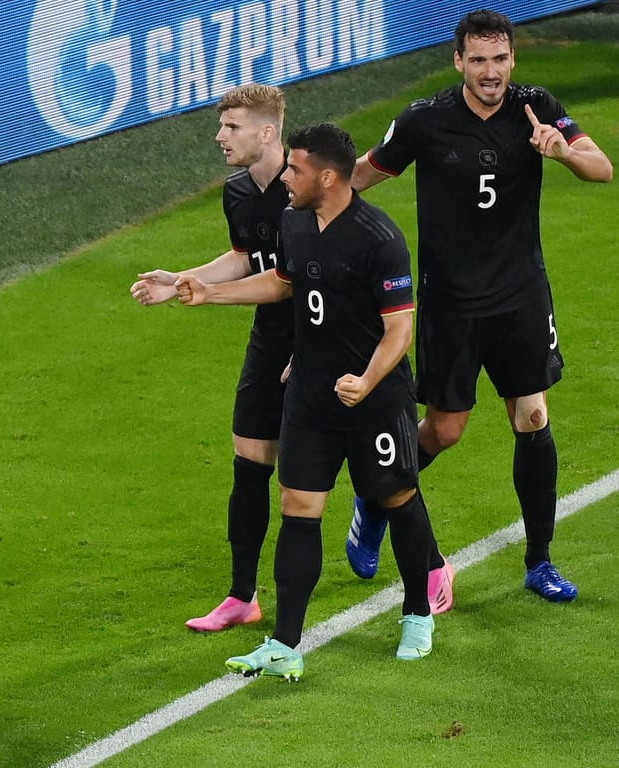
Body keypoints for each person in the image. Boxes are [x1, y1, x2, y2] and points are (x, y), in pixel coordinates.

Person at [343, 9, 612, 602]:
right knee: (446, 429)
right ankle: (375, 496)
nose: (491, 72)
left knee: (533, 416)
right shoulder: (425, 119)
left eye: (501, 59)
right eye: (479, 60)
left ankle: (539, 561)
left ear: (513, 59)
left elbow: (602, 169)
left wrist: (561, 152)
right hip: (452, 302)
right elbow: (362, 175)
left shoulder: (535, 106)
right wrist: (310, 206)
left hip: (521, 294)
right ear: (458, 61)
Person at [176, 123, 437, 679]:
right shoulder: (294, 222)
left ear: (327, 176)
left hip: (375, 397)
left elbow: (399, 331)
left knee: (396, 496)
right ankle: (285, 644)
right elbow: (283, 283)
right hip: (311, 396)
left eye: (294, 169)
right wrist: (211, 293)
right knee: (298, 508)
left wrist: (365, 382)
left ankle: (417, 612)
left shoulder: (379, 238)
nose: (286, 178)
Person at [130, 84, 293, 632]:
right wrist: (181, 278)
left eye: (232, 127)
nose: (220, 136)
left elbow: (285, 281)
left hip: (326, 337)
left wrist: (202, 293)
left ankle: (430, 566)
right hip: (270, 341)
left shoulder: (309, 186)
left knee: (370, 471)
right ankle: (242, 596)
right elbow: (247, 259)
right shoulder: (239, 192)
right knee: (250, 461)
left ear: (267, 131)